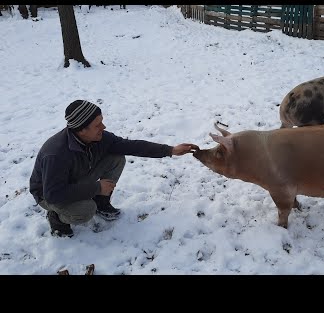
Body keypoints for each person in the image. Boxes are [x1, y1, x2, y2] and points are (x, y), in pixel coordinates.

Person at [29, 100, 199, 238]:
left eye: (101, 121)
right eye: (97, 125)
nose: (103, 127)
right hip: (49, 194)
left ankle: (101, 202)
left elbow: (130, 146)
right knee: (86, 210)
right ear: (81, 130)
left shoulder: (99, 138)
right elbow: (54, 194)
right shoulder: (56, 154)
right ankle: (57, 218)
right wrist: (96, 187)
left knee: (116, 159)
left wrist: (170, 150)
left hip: (77, 176)